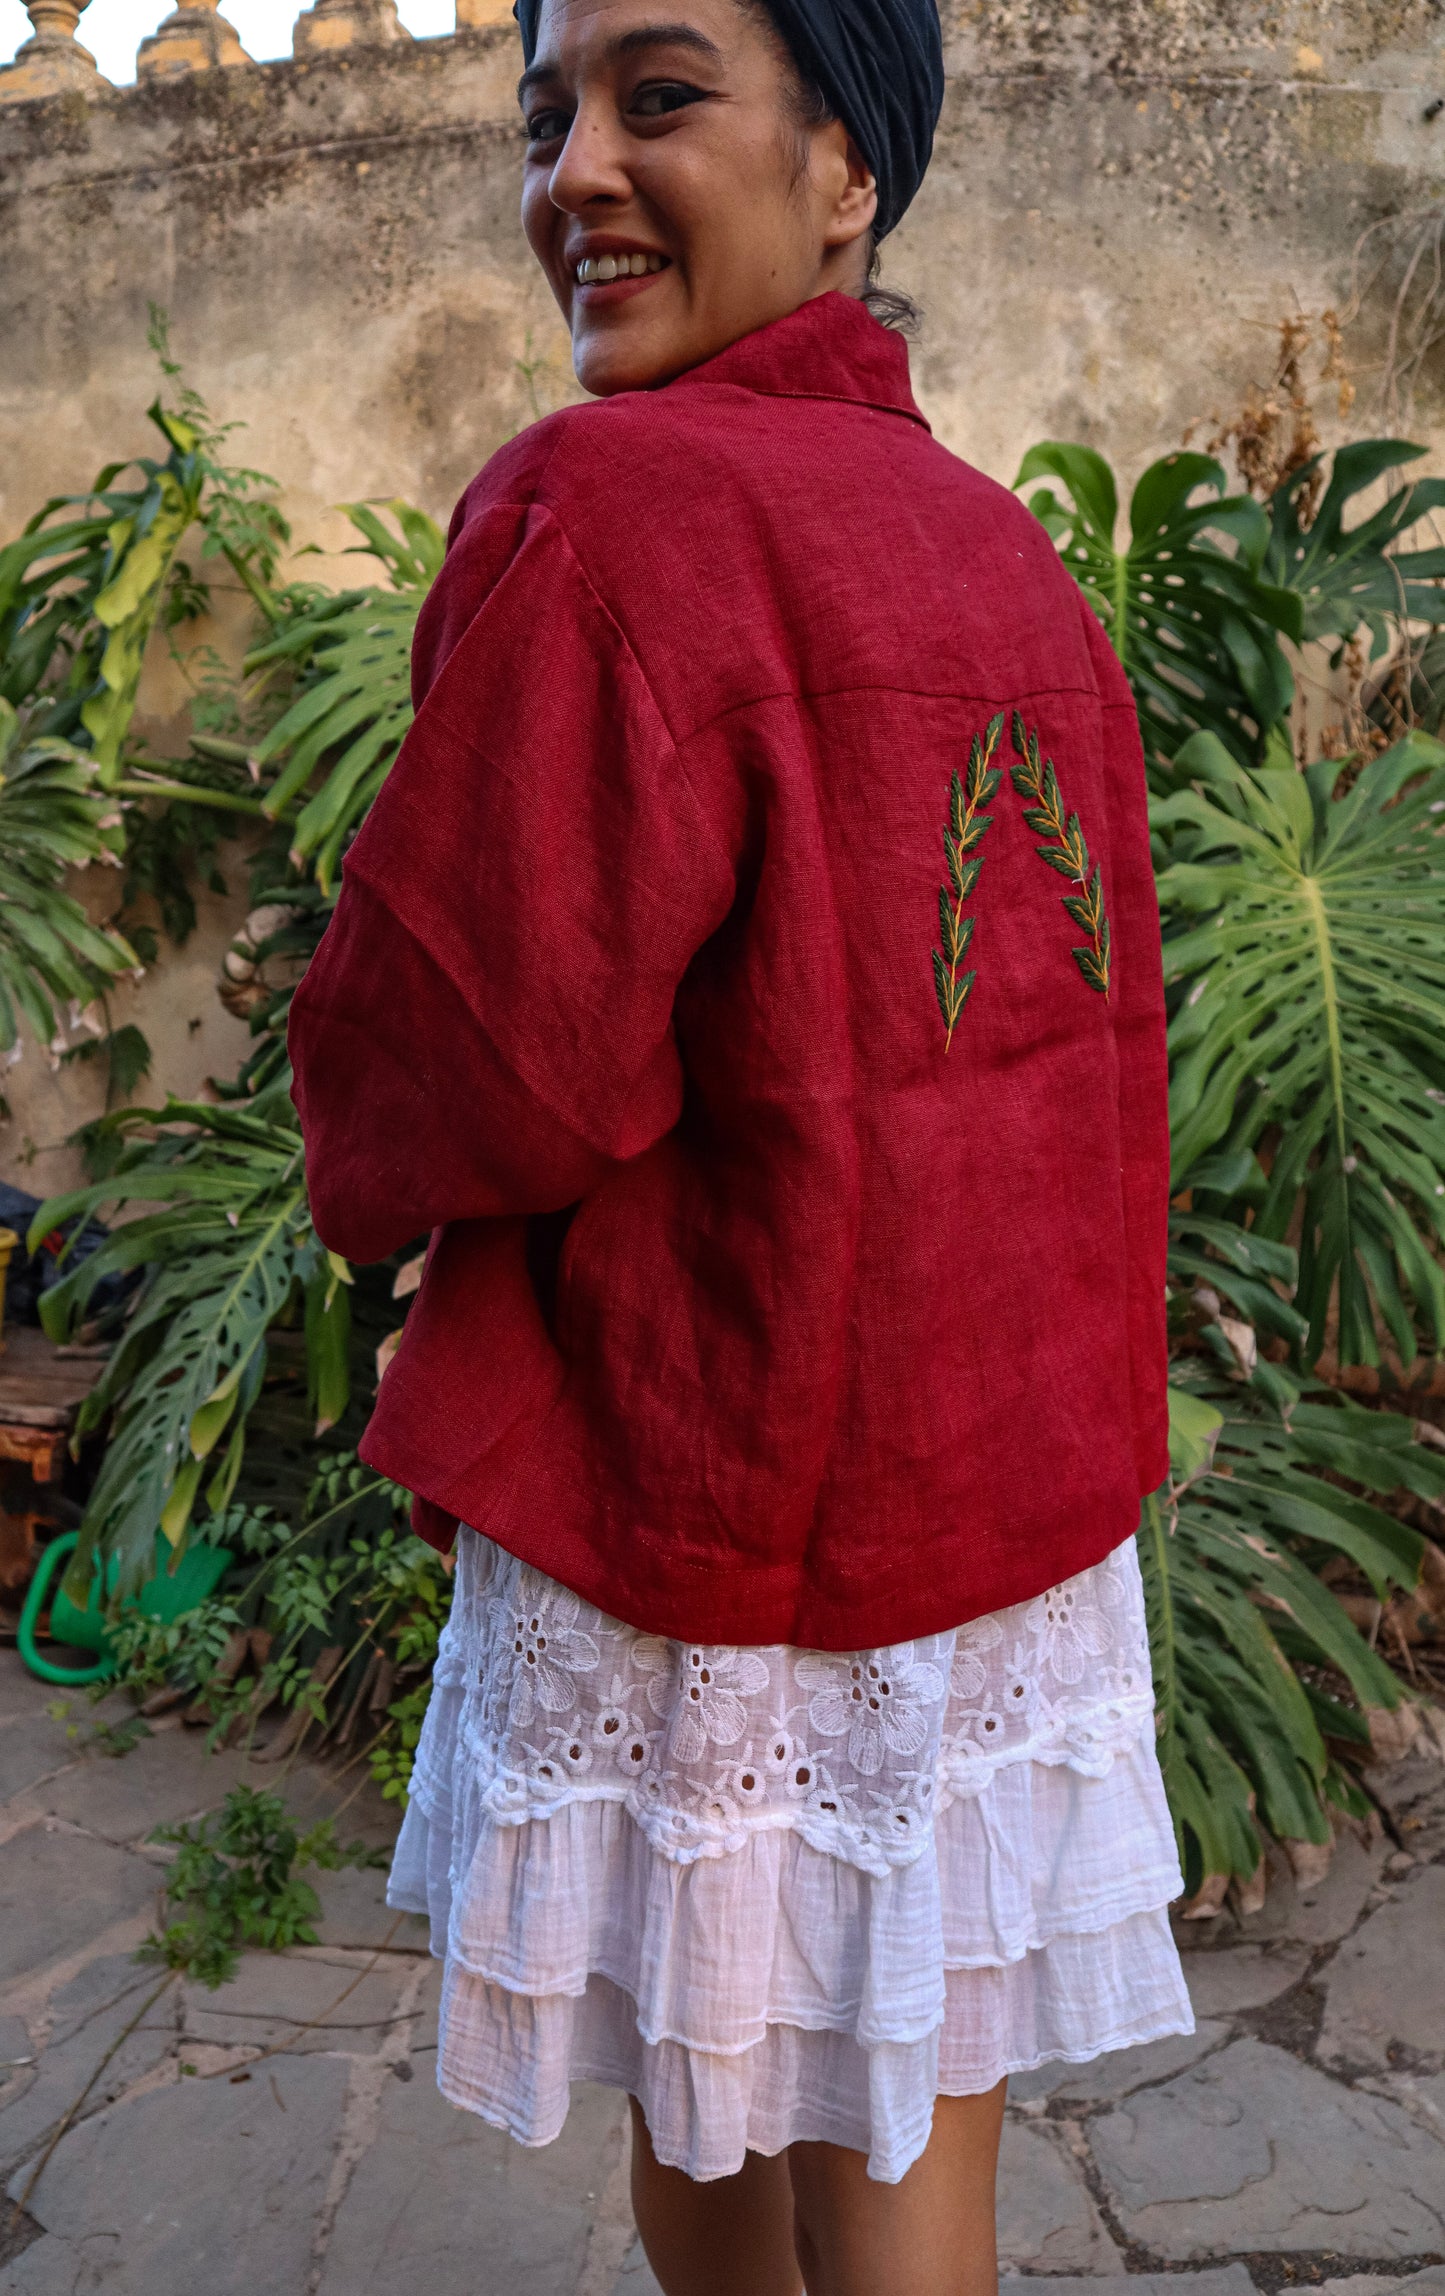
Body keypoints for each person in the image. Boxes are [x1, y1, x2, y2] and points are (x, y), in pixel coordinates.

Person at [287, 0, 1194, 2278]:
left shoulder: (610, 510)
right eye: (546, 116)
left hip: (708, 1494)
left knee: (715, 2123)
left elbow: (483, 1032)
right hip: (992, 1547)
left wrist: (374, 1191)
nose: (574, 171)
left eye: (658, 96)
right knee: (914, 2177)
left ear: (847, 168)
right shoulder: (1016, 566)